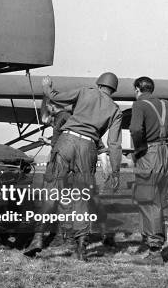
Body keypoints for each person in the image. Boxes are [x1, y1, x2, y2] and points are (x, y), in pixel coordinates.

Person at [24, 73, 123, 261]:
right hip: (88, 148)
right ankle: (81, 249)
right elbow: (114, 144)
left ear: (98, 83)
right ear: (113, 89)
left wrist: (47, 87)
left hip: (66, 141)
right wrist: (115, 170)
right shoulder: (116, 110)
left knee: (51, 191)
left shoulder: (85, 91)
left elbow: (55, 97)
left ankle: (37, 238)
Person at [129, 76, 168, 265]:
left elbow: (135, 130)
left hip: (149, 156)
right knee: (163, 203)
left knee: (149, 202)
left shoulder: (139, 104)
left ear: (138, 88)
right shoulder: (166, 104)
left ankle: (155, 252)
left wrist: (139, 149)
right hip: (165, 154)